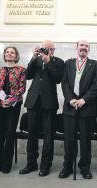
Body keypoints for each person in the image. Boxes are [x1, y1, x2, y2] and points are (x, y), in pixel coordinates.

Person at [19, 40, 64, 177]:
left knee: (48, 136)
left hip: (49, 103)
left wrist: (48, 61)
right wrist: (34, 58)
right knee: (31, 134)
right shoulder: (36, 60)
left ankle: (45, 165)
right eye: (45, 48)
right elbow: (27, 75)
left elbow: (57, 79)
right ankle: (31, 163)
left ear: (54, 50)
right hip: (33, 102)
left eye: (50, 49)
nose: (47, 50)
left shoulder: (58, 62)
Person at [59, 40, 97, 179]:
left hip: (86, 107)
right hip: (70, 107)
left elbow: (96, 85)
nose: (83, 48)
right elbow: (64, 83)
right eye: (81, 46)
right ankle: (67, 167)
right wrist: (70, 99)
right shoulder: (68, 63)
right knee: (69, 140)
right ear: (77, 48)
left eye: (86, 46)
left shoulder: (95, 64)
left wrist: (84, 100)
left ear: (89, 49)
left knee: (85, 141)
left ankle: (85, 168)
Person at [0, 46, 26, 174]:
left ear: (16, 56)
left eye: (12, 52)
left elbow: (21, 88)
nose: (9, 54)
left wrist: (9, 101)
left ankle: (6, 165)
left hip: (14, 105)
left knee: (9, 133)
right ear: (4, 55)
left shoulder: (21, 69)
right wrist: (0, 101)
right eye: (7, 52)